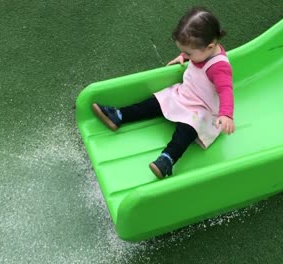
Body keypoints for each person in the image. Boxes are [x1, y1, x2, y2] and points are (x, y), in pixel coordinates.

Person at [92, 7, 235, 179]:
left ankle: (167, 159)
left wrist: (226, 115)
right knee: (157, 101)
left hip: (202, 109)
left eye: (189, 52)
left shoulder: (219, 68)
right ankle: (120, 115)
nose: (186, 54)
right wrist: (185, 56)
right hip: (185, 93)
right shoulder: (204, 51)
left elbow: (226, 90)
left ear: (210, 47)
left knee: (187, 129)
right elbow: (196, 55)